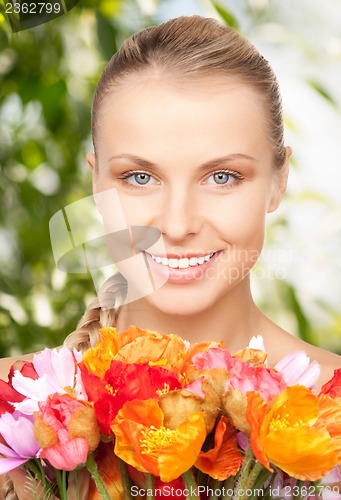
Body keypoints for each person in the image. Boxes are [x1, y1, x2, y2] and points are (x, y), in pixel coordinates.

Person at [1, 14, 340, 499]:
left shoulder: (334, 412)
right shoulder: (10, 413)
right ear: (97, 184)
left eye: (222, 177)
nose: (178, 225)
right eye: (140, 177)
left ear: (278, 180)